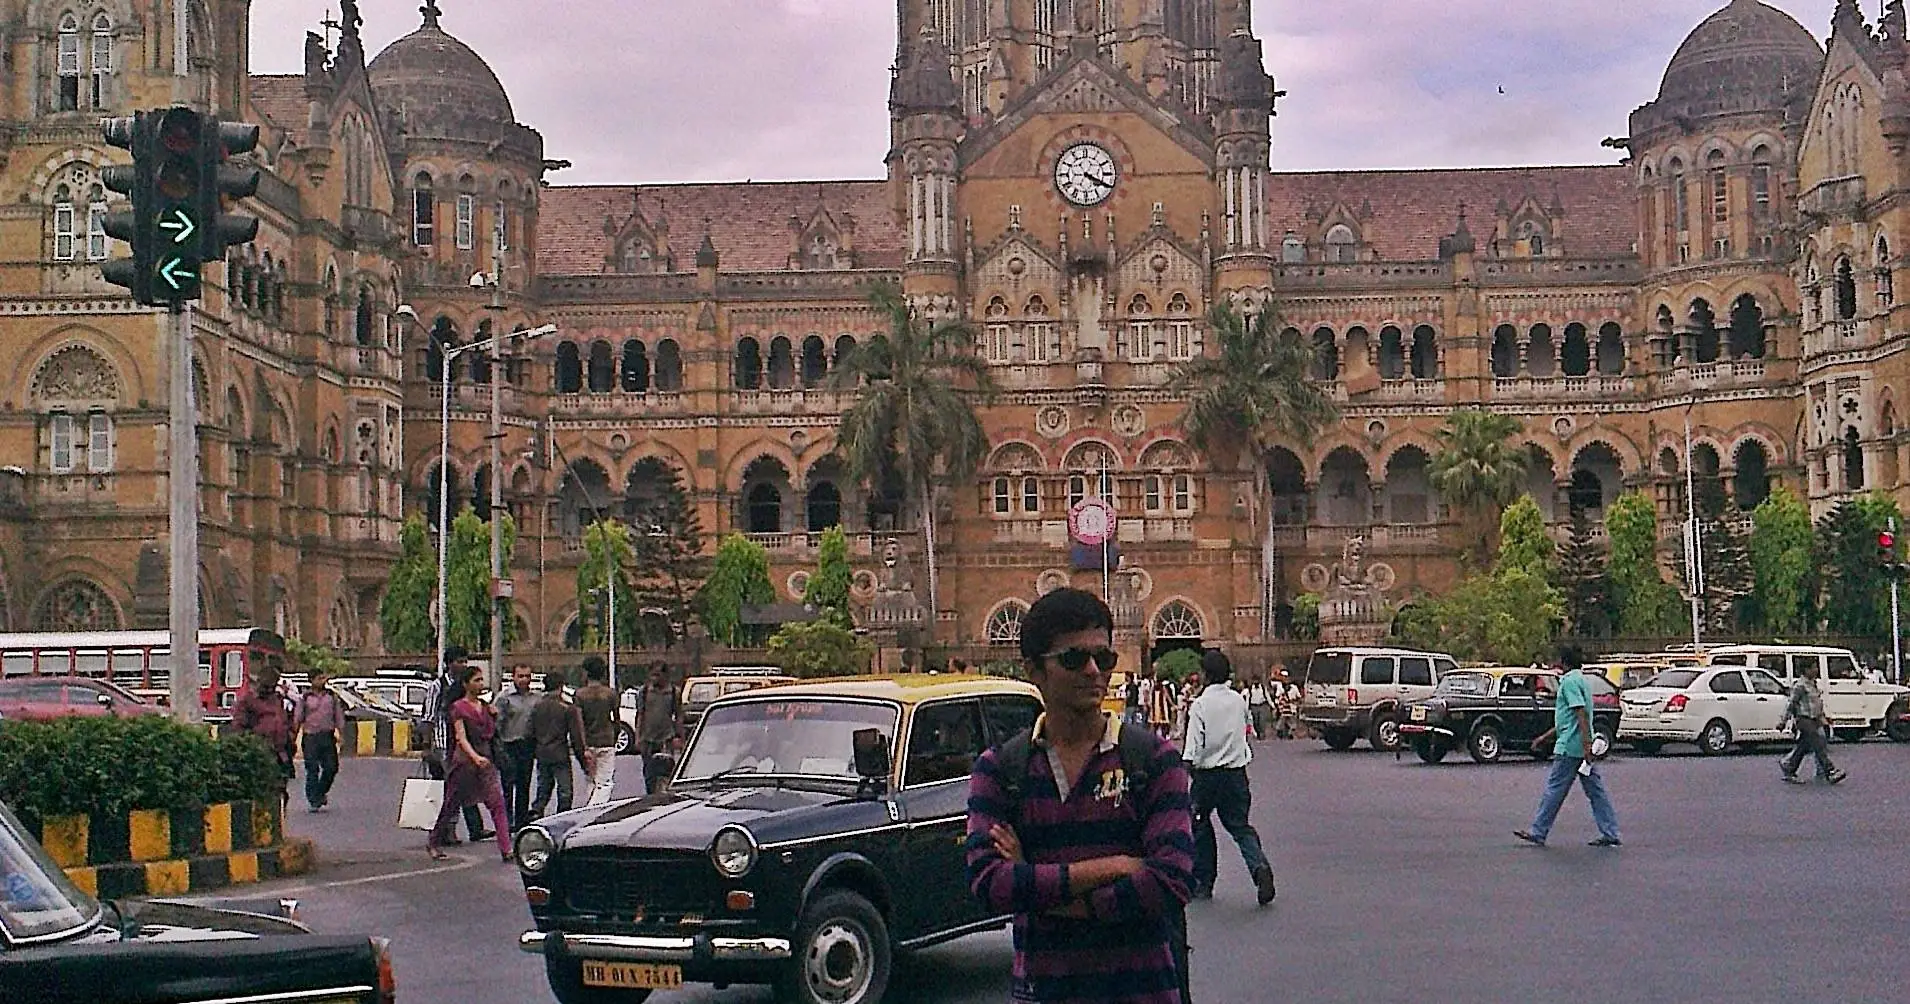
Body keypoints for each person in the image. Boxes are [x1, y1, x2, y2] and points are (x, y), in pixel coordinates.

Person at [965, 587, 1194, 1004]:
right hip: (1046, 992)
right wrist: (1117, 865)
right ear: (1034, 670)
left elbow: (1171, 880)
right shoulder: (1002, 770)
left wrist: (1039, 889)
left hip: (1141, 992)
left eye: (1103, 658)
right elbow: (990, 884)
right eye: (1074, 659)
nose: (1094, 671)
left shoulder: (1153, 761)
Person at [1183, 650, 1277, 905]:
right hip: (1236, 774)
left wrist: (1185, 768)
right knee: (1239, 826)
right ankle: (1259, 866)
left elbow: (1193, 744)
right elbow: (1245, 728)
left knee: (1200, 824)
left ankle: (1204, 880)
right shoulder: (1238, 700)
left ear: (1206, 675)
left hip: (1207, 777)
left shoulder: (1200, 704)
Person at [1515, 647, 1621, 848]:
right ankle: (1610, 831)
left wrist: (1586, 744)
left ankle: (1538, 830)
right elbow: (1570, 718)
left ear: (1563, 662)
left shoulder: (1569, 682)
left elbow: (1580, 712)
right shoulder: (1581, 680)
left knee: (1554, 789)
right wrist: (1545, 737)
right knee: (1596, 792)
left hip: (1570, 747)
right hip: (1578, 745)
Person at [426, 664, 512, 862]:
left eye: (482, 680)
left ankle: (506, 848)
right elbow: (460, 737)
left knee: (497, 803)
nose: (481, 684)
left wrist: (494, 716)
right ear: (466, 684)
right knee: (451, 804)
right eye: (476, 680)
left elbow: (491, 734)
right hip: (464, 762)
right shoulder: (458, 708)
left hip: (486, 760)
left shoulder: (485, 707)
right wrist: (475, 757)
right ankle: (434, 840)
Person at [420, 647, 490, 844]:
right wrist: (428, 747)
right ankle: (445, 830)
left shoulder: (466, 687)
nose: (463, 665)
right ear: (449, 664)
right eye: (459, 661)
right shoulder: (437, 686)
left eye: (465, 661)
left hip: (464, 743)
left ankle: (473, 828)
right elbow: (428, 717)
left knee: (463, 784)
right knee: (452, 787)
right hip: (443, 743)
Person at [232, 661, 296, 807]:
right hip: (259, 751)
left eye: (272, 687)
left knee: (280, 788)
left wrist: (290, 735)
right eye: (266, 686)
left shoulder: (278, 699)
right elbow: (239, 726)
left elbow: (285, 720)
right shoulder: (247, 701)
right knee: (264, 789)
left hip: (280, 751)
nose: (269, 690)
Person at [529, 672, 592, 818]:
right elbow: (576, 738)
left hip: (542, 753)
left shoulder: (537, 707)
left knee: (543, 788)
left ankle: (537, 812)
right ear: (561, 687)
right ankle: (562, 817)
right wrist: (583, 762)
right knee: (565, 790)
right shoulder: (567, 708)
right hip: (560, 753)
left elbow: (530, 732)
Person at [1780, 661, 1846, 785]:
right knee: (1817, 743)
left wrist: (1824, 717)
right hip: (1804, 719)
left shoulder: (1813, 684)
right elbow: (1791, 704)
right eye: (1813, 667)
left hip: (1815, 719)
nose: (1816, 670)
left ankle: (1789, 767)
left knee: (1804, 746)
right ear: (1806, 670)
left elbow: (1816, 703)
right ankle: (1830, 771)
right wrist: (1783, 721)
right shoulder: (1800, 685)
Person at [494, 664, 541, 831]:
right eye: (520, 676)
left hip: (527, 745)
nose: (524, 680)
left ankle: (521, 821)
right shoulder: (505, 697)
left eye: (527, 676)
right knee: (507, 786)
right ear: (513, 677)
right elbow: (497, 723)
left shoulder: (536, 698)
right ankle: (507, 821)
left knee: (524, 784)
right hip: (508, 745)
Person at [291, 668, 344, 812]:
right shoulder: (305, 698)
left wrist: (341, 733)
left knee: (331, 768)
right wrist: (293, 737)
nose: (322, 681)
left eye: (323, 678)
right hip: (310, 737)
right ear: (312, 680)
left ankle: (320, 792)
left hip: (327, 736)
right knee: (312, 769)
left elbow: (338, 716)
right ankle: (314, 799)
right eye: (319, 678)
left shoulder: (331, 697)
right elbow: (298, 718)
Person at [575, 656, 620, 806]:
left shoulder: (580, 695)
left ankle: (591, 808)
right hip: (606, 739)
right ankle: (595, 808)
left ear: (586, 673)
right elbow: (616, 719)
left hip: (589, 740)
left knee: (591, 780)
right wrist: (615, 736)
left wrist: (583, 745)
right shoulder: (610, 694)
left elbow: (579, 722)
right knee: (605, 781)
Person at [631, 666, 679, 794]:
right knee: (649, 772)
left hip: (666, 738)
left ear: (665, 676)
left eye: (657, 675)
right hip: (648, 738)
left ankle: (665, 795)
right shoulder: (644, 691)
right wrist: (638, 737)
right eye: (652, 675)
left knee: (666, 770)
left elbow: (679, 716)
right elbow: (640, 714)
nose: (654, 679)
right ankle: (651, 795)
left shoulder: (673, 692)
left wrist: (679, 737)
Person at [1244, 673, 1271, 741]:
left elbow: (1267, 697)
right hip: (1254, 706)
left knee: (1262, 720)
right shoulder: (1250, 689)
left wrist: (1272, 705)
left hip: (1262, 705)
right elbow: (1248, 699)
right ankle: (1258, 733)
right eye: (1254, 681)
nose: (1256, 682)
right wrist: (1246, 709)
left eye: (1257, 681)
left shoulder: (1262, 688)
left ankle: (1262, 734)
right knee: (1255, 721)